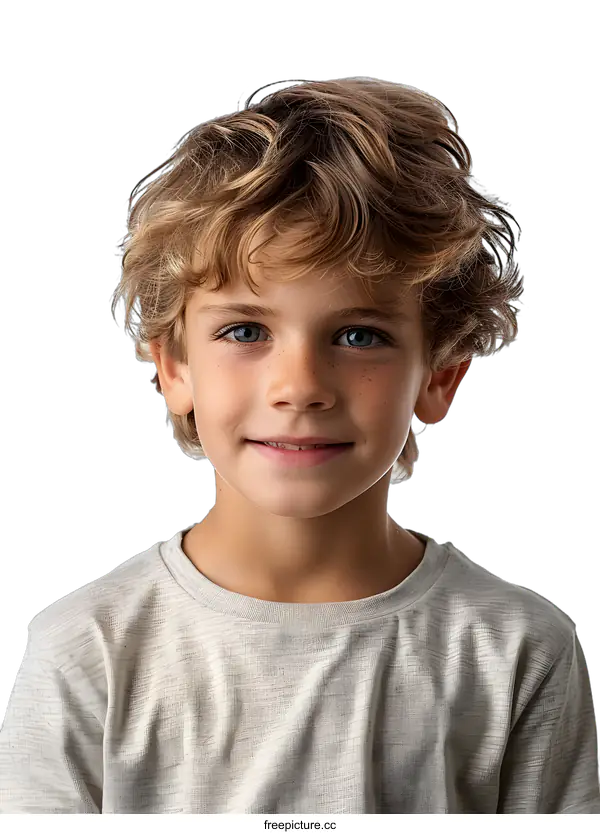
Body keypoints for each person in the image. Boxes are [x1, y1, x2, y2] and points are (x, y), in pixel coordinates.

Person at [1, 76, 598, 814]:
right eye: (245, 331)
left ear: (441, 376)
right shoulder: (88, 651)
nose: (300, 386)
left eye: (359, 335)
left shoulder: (517, 652)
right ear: (174, 367)